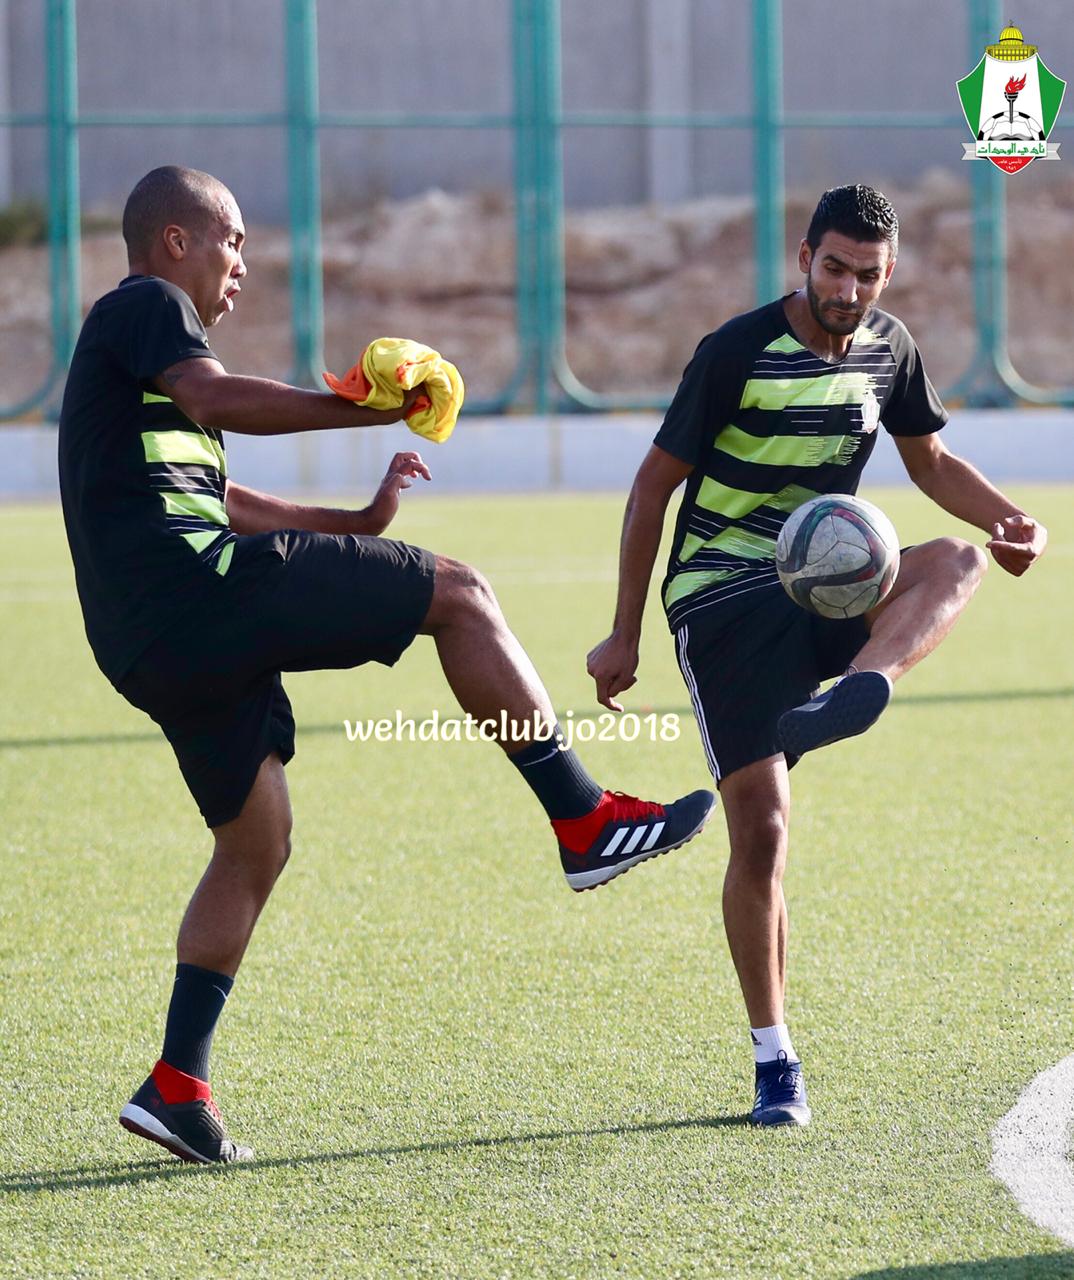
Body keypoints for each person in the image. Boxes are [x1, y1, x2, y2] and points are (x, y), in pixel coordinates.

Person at [57, 166, 715, 1165]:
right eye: (233, 239)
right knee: (461, 593)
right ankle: (585, 819)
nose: (243, 263)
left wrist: (357, 521)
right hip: (195, 590)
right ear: (176, 241)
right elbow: (215, 395)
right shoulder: (147, 307)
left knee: (256, 843)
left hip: (151, 640)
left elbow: (226, 501)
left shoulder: (141, 373)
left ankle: (176, 1085)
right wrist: (367, 408)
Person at [587, 184, 1047, 1128]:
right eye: (834, 268)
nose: (848, 290)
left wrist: (1010, 519)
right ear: (804, 258)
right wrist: (625, 630)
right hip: (722, 598)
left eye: (868, 275)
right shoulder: (736, 350)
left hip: (830, 585)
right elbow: (651, 489)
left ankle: (862, 689)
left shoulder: (891, 349)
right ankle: (775, 1059)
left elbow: (929, 463)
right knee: (762, 830)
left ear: (889, 272)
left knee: (956, 561)